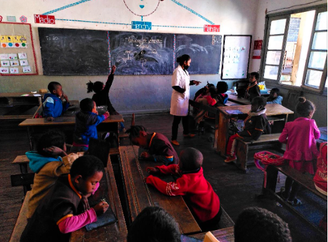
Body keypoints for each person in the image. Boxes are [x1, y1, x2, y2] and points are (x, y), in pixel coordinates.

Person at [21, 155, 109, 242]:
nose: (96, 186)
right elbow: (66, 226)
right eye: (94, 183)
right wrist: (93, 213)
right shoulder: (63, 196)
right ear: (78, 179)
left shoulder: (68, 179)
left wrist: (91, 189)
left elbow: (89, 184)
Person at [145, 147, 221, 231]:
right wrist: (159, 169)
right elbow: (175, 168)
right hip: (215, 204)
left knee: (188, 225)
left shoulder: (187, 181)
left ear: (183, 165)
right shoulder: (197, 170)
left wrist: (151, 179)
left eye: (180, 161)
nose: (178, 163)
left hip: (209, 216)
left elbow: (168, 189)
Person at [26, 130, 83, 219]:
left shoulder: (44, 159)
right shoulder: (50, 166)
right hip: (38, 213)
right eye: (64, 144)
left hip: (43, 204)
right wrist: (63, 153)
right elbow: (72, 169)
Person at [279, 97, 320, 206]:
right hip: (304, 157)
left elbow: (281, 140)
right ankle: (292, 198)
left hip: (291, 156)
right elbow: (317, 135)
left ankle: (286, 195)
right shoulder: (311, 123)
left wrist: (293, 141)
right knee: (299, 178)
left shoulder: (289, 124)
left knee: (290, 175)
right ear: (311, 112)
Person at [225, 96, 270, 163]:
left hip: (250, 135)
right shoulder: (254, 113)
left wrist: (250, 139)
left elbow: (258, 132)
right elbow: (246, 116)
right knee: (234, 132)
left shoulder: (260, 117)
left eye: (253, 105)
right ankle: (233, 153)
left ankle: (232, 156)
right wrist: (236, 116)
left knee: (232, 138)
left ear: (260, 107)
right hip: (247, 131)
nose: (251, 107)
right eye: (252, 105)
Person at [170, 54, 201, 146]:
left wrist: (193, 82)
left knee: (185, 117)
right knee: (177, 120)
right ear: (184, 62)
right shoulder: (177, 71)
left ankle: (186, 132)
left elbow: (185, 83)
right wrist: (183, 91)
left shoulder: (185, 71)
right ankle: (173, 138)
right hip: (179, 99)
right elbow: (175, 85)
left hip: (184, 99)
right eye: (189, 62)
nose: (189, 64)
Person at [86, 65, 125, 132]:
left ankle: (120, 128)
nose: (104, 87)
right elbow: (109, 83)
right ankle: (121, 129)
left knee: (115, 116)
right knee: (117, 118)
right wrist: (112, 72)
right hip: (108, 112)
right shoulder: (104, 93)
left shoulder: (94, 96)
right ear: (101, 88)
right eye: (103, 86)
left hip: (101, 115)